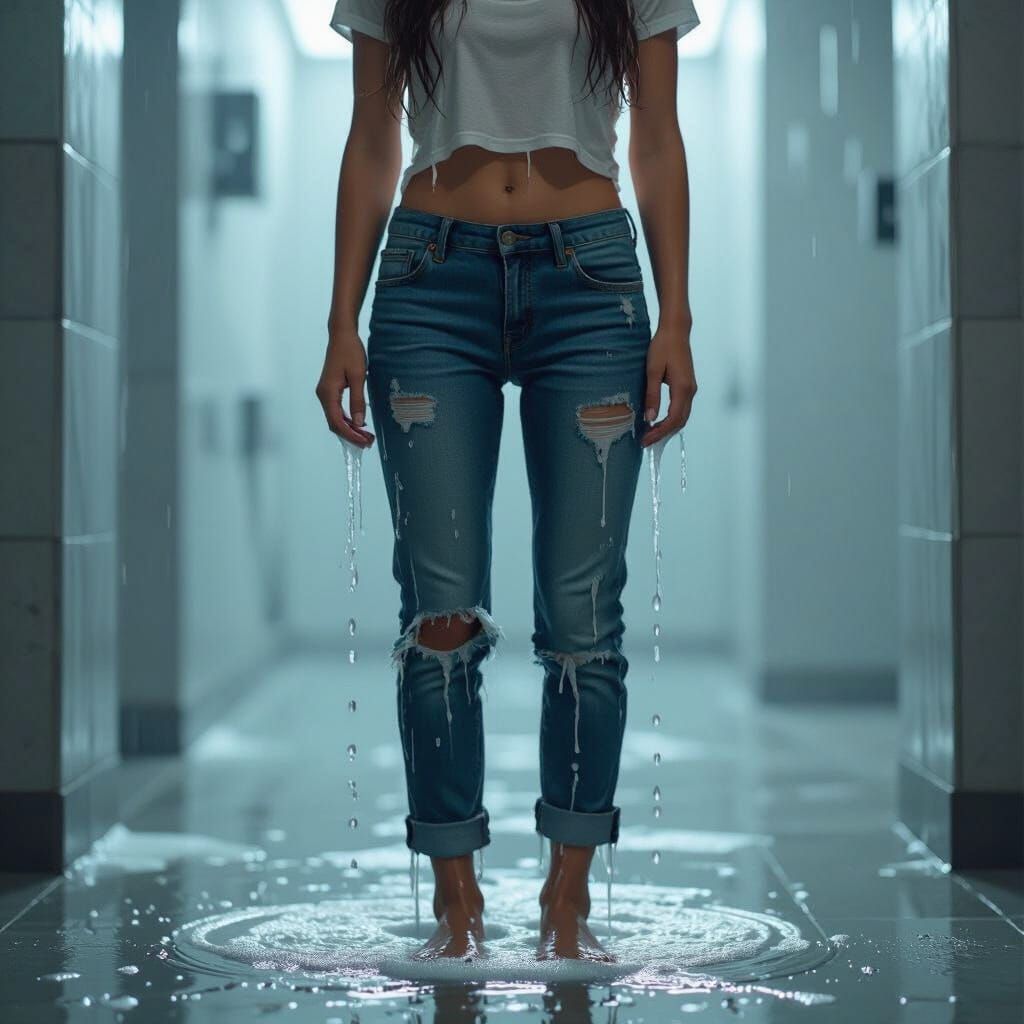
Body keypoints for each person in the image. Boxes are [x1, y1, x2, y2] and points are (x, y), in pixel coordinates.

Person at [317, 0, 699, 963]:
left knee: (581, 619)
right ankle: (457, 897)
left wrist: (677, 318)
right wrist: (340, 321)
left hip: (591, 279)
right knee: (439, 611)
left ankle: (567, 897)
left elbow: (655, 136)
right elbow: (371, 139)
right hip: (430, 279)